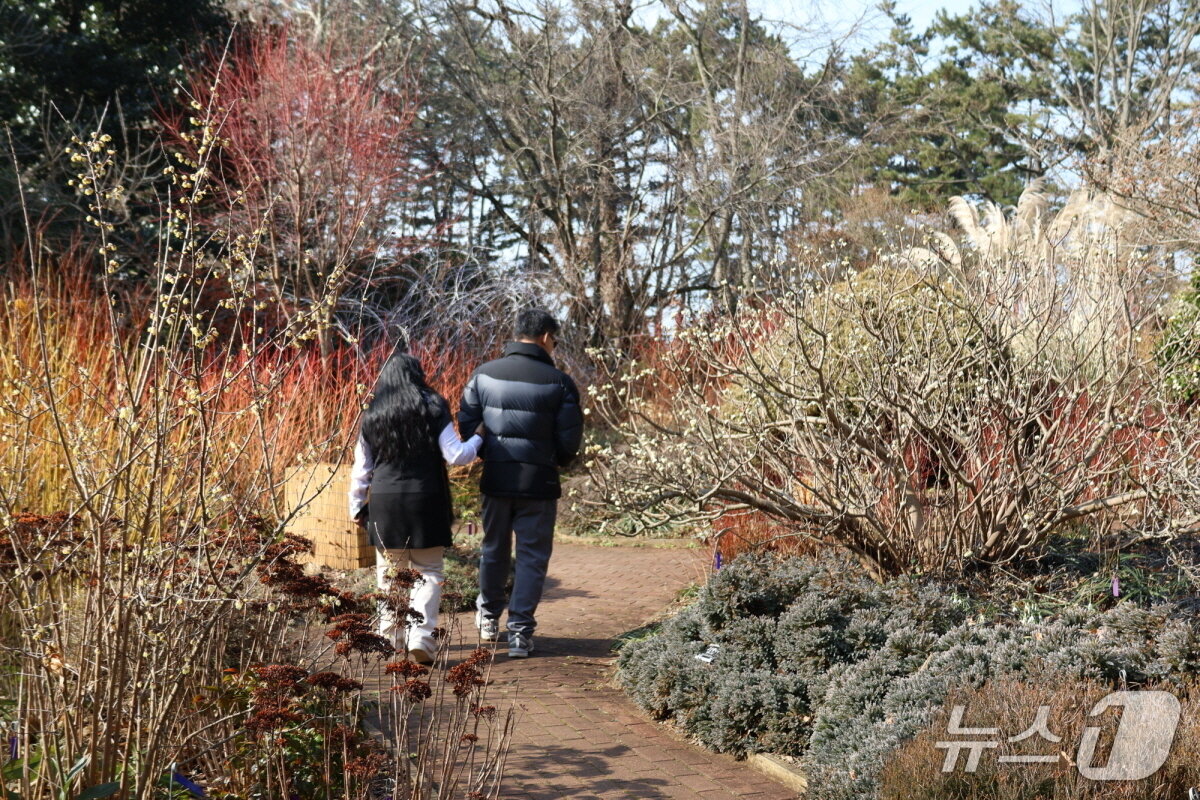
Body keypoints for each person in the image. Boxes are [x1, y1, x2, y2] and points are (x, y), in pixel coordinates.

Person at [457, 308, 583, 658]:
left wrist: (492, 455)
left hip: (496, 478)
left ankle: (486, 618)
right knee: (532, 557)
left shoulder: (483, 375)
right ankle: (520, 633)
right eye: (555, 340)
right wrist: (549, 458)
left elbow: (468, 426)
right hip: (539, 483)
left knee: (493, 549)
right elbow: (570, 441)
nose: (555, 347)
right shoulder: (559, 382)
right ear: (545, 337)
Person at [348, 353, 483, 665]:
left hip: (385, 502)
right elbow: (457, 455)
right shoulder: (433, 405)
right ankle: (421, 638)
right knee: (429, 572)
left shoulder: (373, 413)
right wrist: (478, 438)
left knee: (389, 576)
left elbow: (361, 470)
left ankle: (389, 638)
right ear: (419, 375)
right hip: (426, 501)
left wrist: (356, 508)